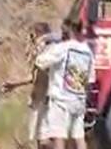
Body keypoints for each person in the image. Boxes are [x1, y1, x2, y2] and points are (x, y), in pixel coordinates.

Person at [35, 20, 94, 149]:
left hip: (61, 100)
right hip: (79, 99)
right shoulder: (87, 51)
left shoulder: (63, 48)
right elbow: (90, 80)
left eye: (64, 29)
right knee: (79, 137)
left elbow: (40, 62)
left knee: (58, 136)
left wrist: (41, 48)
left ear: (70, 30)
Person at [3, 23, 61, 148]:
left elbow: (37, 75)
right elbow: (36, 77)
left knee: (43, 139)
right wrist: (14, 84)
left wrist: (14, 84)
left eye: (32, 36)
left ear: (36, 34)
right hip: (50, 99)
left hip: (44, 100)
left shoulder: (45, 51)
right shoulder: (55, 49)